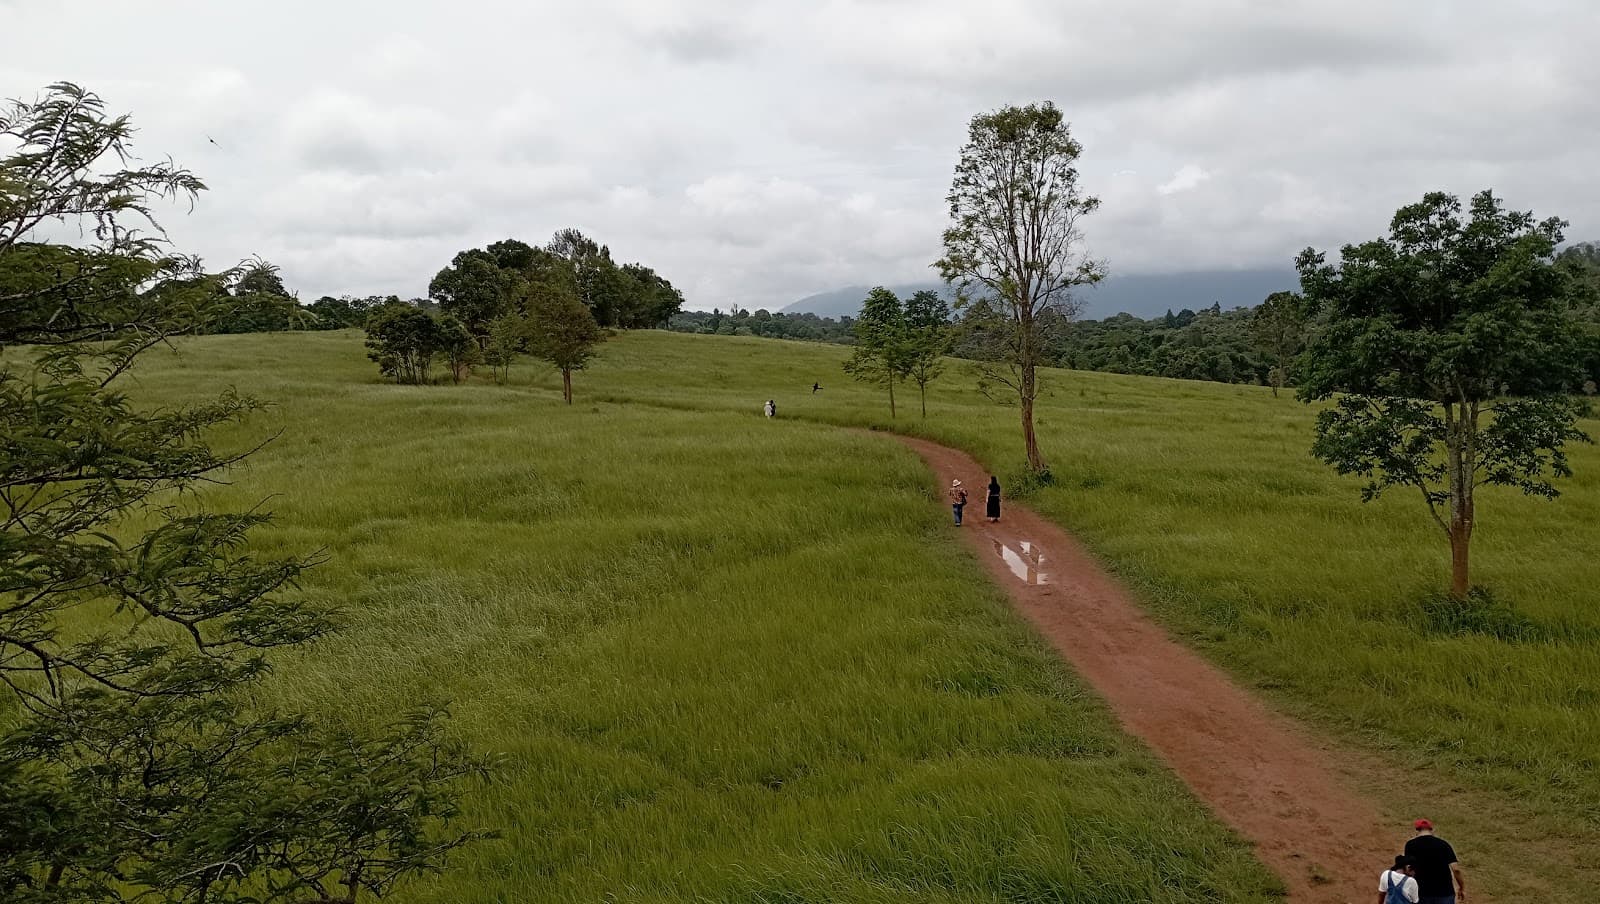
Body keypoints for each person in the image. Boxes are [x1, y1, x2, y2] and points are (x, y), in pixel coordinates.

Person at [1404, 820, 1466, 904]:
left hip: (1420, 892)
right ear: (1432, 830)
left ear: (1416, 831)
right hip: (1444, 893)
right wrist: (1462, 887)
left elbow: (1408, 869)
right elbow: (1456, 869)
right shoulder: (1444, 844)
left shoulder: (1410, 845)